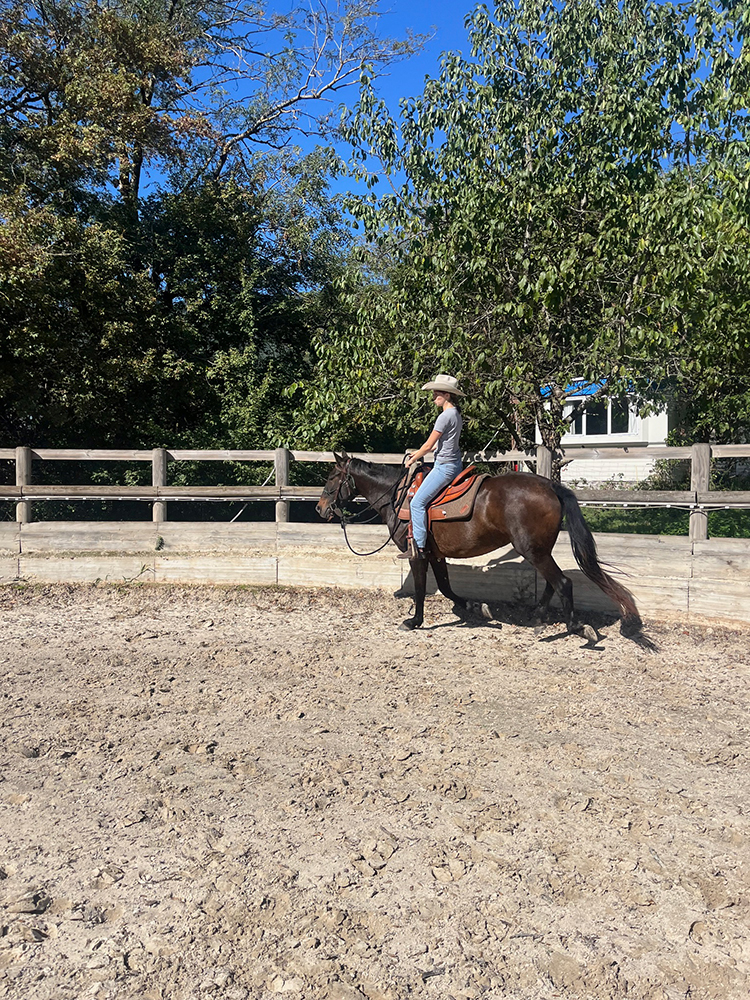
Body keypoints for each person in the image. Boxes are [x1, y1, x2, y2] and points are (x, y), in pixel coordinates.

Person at [400, 374, 465, 559]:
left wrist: (413, 458)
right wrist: (422, 452)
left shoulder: (445, 417)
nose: (433, 395)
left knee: (417, 502)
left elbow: (428, 445)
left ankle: (418, 547)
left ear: (447, 394)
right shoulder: (455, 414)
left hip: (444, 467)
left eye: (437, 392)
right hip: (454, 464)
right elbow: (444, 443)